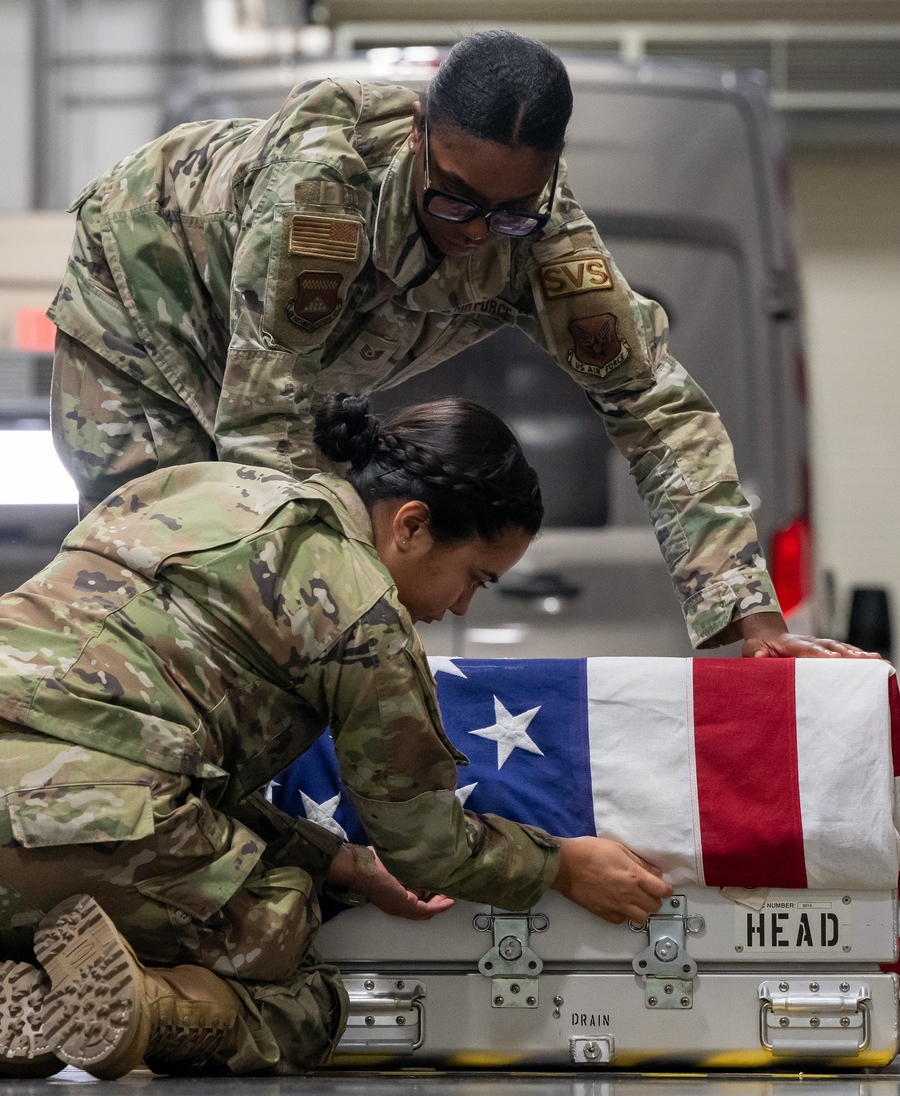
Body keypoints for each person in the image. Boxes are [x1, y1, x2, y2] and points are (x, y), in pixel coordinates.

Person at [46, 30, 870, 664]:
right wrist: (350, 622)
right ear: (417, 136)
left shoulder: (542, 238)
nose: (478, 234)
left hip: (287, 351)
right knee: (166, 567)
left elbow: (657, 408)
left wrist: (749, 616)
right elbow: (261, 437)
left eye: (510, 210)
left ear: (546, 179)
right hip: (147, 301)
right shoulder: (322, 199)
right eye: (458, 200)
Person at [0, 394, 669, 1079]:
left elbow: (155, 750)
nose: (463, 605)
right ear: (411, 525)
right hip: (86, 823)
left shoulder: (202, 483)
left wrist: (343, 860)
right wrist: (561, 865)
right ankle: (142, 1003)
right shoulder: (363, 612)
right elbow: (427, 845)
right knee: (302, 986)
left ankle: (28, 988)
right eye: (475, 576)